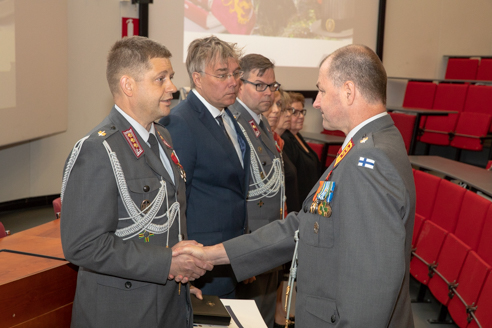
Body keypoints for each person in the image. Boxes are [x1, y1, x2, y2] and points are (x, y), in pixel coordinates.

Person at [173, 44, 416, 328]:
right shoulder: (370, 144)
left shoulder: (369, 161)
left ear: (349, 92)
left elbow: (371, 285)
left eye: (322, 91)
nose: (317, 103)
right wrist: (214, 253)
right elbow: (304, 225)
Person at [60, 36, 213, 328]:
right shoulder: (97, 150)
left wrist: (178, 280)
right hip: (122, 313)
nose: (171, 88)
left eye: (171, 77)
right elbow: (83, 246)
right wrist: (167, 263)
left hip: (168, 303)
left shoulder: (163, 137)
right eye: (160, 79)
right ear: (128, 86)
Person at [161, 36, 250, 298]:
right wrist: (182, 270)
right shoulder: (181, 123)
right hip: (200, 264)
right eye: (222, 75)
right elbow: (175, 201)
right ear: (197, 79)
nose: (233, 82)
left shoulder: (229, 115)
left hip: (228, 254)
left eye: (236, 73)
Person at [228, 53, 283, 328]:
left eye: (272, 86)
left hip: (269, 242)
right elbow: (236, 196)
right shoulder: (233, 124)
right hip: (253, 246)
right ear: (239, 84)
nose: (269, 93)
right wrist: (245, 253)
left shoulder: (259, 122)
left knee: (265, 319)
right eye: (260, 85)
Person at [282, 92, 321, 200]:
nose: (301, 116)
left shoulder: (297, 135)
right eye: (295, 112)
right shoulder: (285, 139)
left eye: (302, 112)